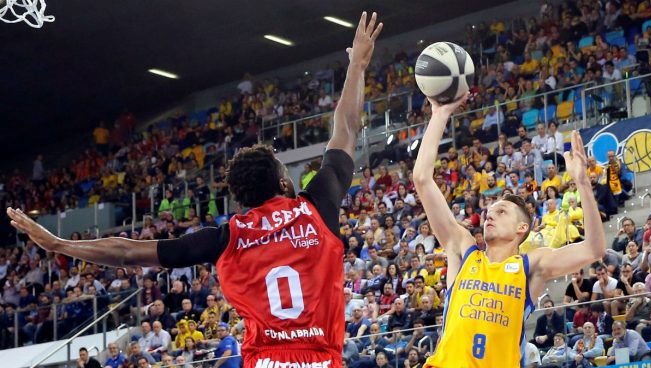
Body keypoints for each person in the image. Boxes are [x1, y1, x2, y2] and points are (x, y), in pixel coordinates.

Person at [6, 12, 383, 368]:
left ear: (242, 198)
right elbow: (346, 130)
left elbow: (126, 251)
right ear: (284, 183)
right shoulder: (317, 207)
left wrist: (59, 245)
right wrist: (357, 67)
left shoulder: (226, 237)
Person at [413, 95, 606, 367]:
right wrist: (440, 114)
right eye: (490, 211)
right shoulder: (463, 249)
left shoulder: (531, 265)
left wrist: (583, 184)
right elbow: (422, 178)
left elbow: (594, 249)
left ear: (522, 228)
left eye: (501, 211)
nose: (490, 214)